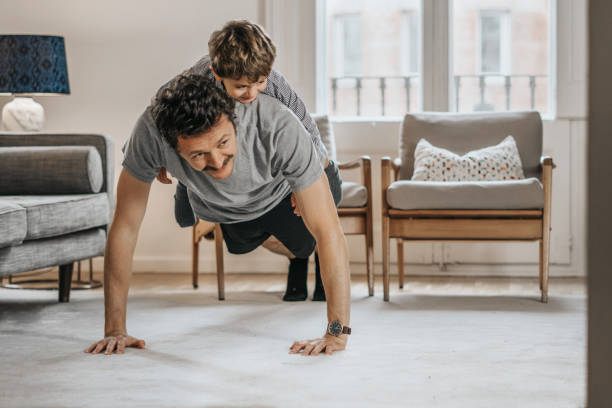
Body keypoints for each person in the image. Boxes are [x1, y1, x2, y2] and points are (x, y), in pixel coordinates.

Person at [86, 73, 351, 356]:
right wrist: (115, 330)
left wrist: (337, 334)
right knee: (235, 243)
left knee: (306, 243)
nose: (217, 162)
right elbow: (124, 227)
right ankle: (187, 192)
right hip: (224, 209)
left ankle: (192, 187)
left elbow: (328, 230)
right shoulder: (150, 133)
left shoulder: (277, 122)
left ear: (234, 117)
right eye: (199, 154)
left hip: (279, 193)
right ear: (169, 146)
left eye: (223, 143)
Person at [157, 20, 340, 301]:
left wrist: (305, 182)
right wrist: (159, 156)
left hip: (273, 170)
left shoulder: (275, 85)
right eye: (241, 87)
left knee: (328, 197)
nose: (252, 94)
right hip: (214, 167)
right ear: (217, 74)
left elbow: (308, 130)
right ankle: (189, 182)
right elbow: (160, 106)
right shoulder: (198, 78)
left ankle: (301, 261)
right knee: (185, 219)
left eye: (259, 83)